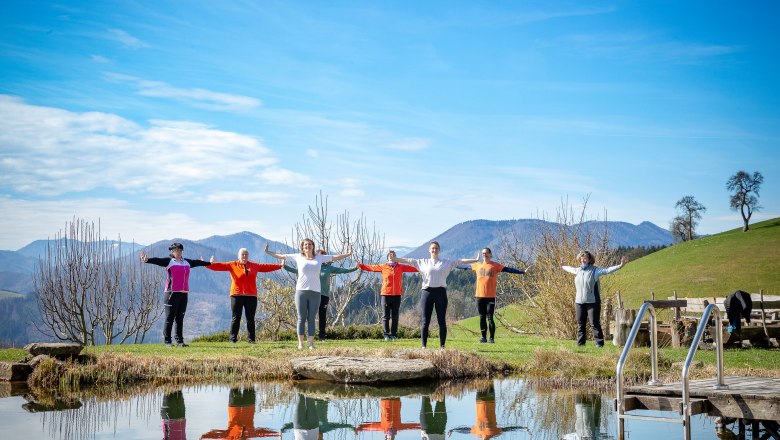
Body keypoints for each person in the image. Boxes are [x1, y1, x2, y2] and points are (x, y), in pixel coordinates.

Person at [265, 239, 352, 350]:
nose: (308, 246)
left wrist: (348, 253)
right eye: (305, 245)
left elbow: (335, 257)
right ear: (302, 247)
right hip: (301, 292)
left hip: (315, 292)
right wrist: (268, 252)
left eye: (310, 244)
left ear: (313, 246)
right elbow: (281, 256)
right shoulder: (298, 256)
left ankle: (311, 343)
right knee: (301, 318)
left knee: (311, 318)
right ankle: (300, 343)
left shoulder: (319, 257)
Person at [391, 241, 478, 348]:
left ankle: (442, 347)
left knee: (441, 321)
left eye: (436, 248)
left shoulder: (446, 262)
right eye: (432, 248)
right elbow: (407, 260)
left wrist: (475, 260)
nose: (434, 250)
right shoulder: (422, 262)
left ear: (439, 250)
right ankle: (424, 347)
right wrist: (395, 259)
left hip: (441, 293)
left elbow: (460, 261)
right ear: (429, 250)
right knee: (425, 321)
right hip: (427, 293)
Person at [141, 242, 211, 347]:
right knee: (170, 317)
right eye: (177, 250)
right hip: (171, 293)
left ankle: (179, 341)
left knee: (180, 318)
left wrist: (208, 263)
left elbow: (197, 263)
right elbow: (157, 260)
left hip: (183, 293)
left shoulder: (186, 262)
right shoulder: (169, 261)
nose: (179, 252)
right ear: (172, 251)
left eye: (181, 250)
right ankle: (168, 341)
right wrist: (147, 260)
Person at [207, 248, 284, 344]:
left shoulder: (254, 265)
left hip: (251, 295)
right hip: (236, 295)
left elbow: (266, 267)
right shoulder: (233, 264)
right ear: (239, 256)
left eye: (246, 254)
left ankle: (251, 340)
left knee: (250, 318)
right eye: (242, 254)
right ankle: (232, 339)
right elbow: (219, 266)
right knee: (236, 318)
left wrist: (280, 266)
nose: (244, 256)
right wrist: (208, 264)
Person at [283, 250, 357, 341]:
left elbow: (343, 270)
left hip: (324, 295)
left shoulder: (329, 268)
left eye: (324, 256)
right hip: (312, 293)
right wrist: (284, 266)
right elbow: (296, 271)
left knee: (322, 316)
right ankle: (308, 336)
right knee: (308, 316)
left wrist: (355, 268)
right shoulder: (310, 266)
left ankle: (322, 337)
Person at [459, 247, 529, 343]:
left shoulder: (495, 265)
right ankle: (483, 337)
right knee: (482, 317)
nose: (485, 254)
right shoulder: (477, 265)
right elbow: (463, 267)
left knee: (490, 317)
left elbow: (508, 269)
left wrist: (522, 272)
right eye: (483, 253)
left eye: (486, 253)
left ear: (490, 254)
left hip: (490, 296)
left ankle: (491, 338)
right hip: (479, 295)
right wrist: (451, 265)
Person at [560, 251, 628, 347]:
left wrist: (620, 265)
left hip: (593, 302)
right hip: (579, 302)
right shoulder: (578, 270)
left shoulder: (595, 270)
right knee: (580, 324)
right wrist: (562, 266)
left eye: (585, 258)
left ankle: (599, 344)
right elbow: (569, 269)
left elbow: (607, 270)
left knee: (594, 323)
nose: (582, 260)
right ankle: (580, 343)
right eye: (581, 258)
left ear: (589, 259)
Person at [358, 250, 418, 341]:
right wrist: (361, 266)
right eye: (390, 255)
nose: (391, 256)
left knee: (395, 316)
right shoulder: (383, 267)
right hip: (386, 295)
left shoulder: (400, 267)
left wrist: (424, 267)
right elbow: (372, 267)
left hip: (397, 295)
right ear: (387, 257)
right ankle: (386, 334)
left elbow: (412, 268)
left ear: (395, 257)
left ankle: (394, 335)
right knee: (386, 316)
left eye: (393, 255)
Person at [448, 383, 529, 439]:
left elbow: (465, 430)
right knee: (489, 380)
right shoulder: (494, 432)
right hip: (490, 400)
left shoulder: (477, 433)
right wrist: (522, 428)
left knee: (482, 380)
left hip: (479, 401)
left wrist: (453, 430)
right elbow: (509, 429)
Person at [200, 386, 280, 439]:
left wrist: (204, 436)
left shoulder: (230, 437)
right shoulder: (250, 435)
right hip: (249, 404)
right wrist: (276, 434)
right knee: (249, 381)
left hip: (235, 406)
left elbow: (217, 435)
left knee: (235, 384)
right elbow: (262, 433)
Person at [356, 397, 420, 439]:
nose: (390, 437)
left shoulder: (382, 427)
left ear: (386, 436)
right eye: (391, 439)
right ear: (393, 437)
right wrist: (420, 426)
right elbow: (410, 427)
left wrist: (360, 428)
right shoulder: (399, 427)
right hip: (396, 400)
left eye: (388, 438)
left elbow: (371, 427)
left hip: (384, 400)